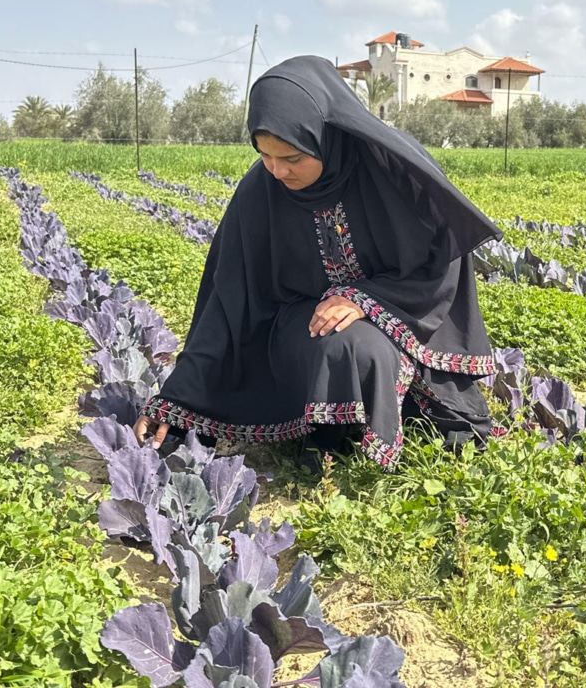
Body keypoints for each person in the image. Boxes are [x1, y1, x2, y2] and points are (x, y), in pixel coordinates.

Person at [135, 56, 502, 469]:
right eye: (265, 155)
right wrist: (179, 398)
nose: (277, 171)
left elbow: (440, 264)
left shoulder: (393, 171)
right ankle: (336, 436)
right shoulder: (261, 192)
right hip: (303, 328)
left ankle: (391, 416)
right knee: (351, 347)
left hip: (408, 316)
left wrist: (364, 299)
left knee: (431, 410)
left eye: (292, 158)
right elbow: (227, 303)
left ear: (326, 135)